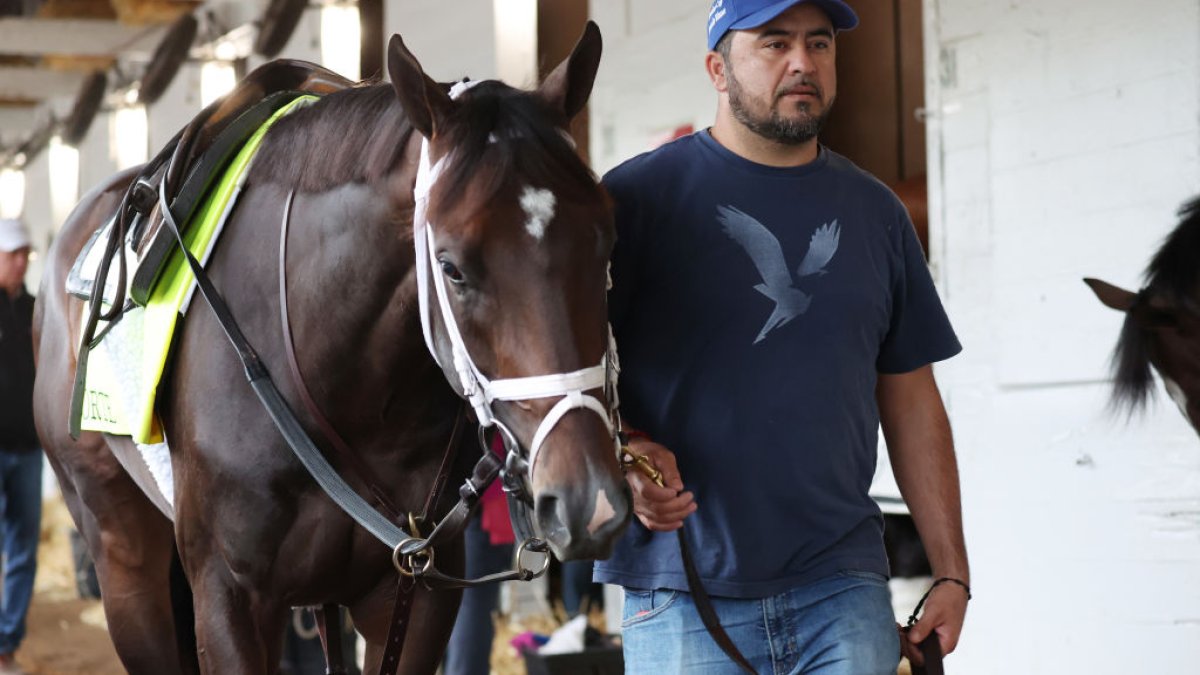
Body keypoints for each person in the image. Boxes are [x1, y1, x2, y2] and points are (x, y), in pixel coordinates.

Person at [596, 1, 970, 673]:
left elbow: (911, 396)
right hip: (683, 589)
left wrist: (951, 570)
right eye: (775, 43)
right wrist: (619, 457)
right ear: (717, 68)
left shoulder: (877, 214)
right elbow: (553, 377)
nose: (803, 62)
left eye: (819, 43)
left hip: (843, 587)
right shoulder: (632, 202)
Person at [0, 217, 41, 675]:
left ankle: (6, 645)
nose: (21, 261)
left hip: (28, 450)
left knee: (24, 549)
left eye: (24, 254)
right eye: (12, 254)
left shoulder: (35, 309)